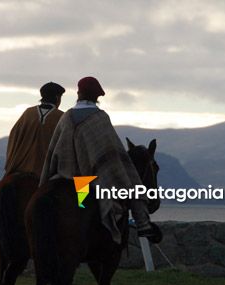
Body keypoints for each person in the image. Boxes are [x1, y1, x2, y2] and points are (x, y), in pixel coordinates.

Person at [39, 76, 160, 243]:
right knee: (131, 181)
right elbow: (114, 153)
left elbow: (54, 151)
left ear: (78, 93)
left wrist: (46, 179)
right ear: (97, 97)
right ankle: (143, 224)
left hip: (65, 175)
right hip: (90, 180)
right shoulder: (100, 118)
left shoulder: (66, 117)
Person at [4, 82, 65, 177]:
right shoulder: (61, 117)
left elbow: (13, 138)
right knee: (78, 189)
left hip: (20, 167)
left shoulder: (28, 114)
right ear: (57, 98)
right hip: (47, 172)